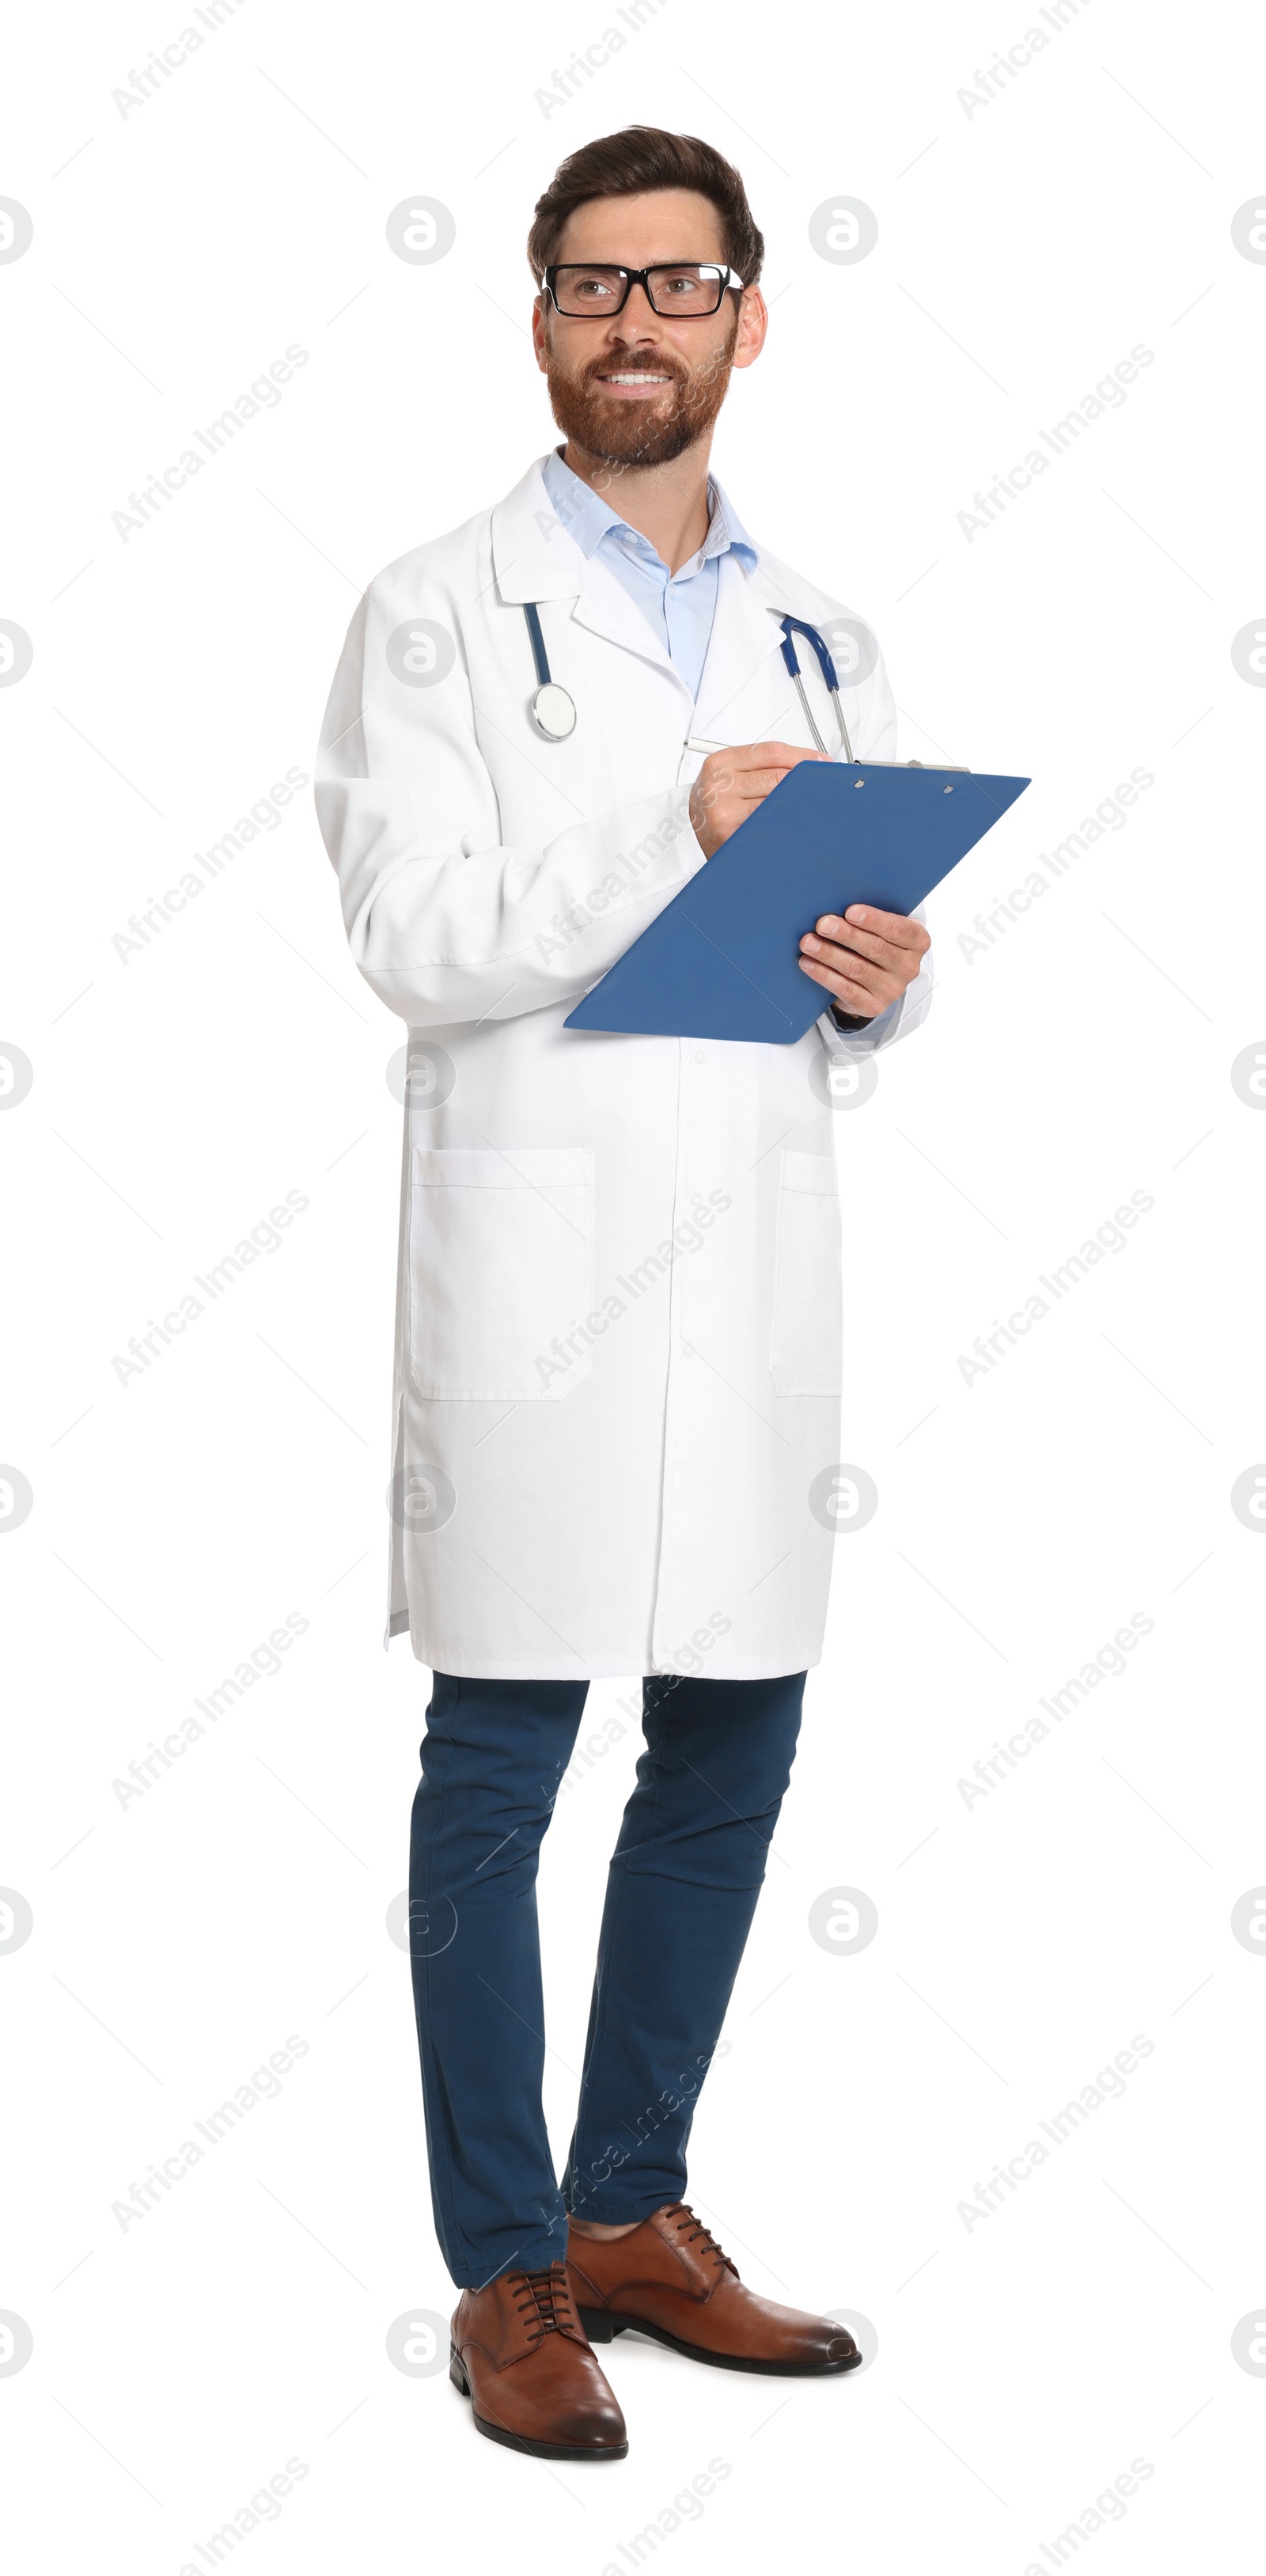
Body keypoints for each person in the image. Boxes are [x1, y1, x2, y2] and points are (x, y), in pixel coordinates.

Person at [315, 124, 931, 2463]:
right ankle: (504, 2276)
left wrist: (878, 979)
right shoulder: (432, 611)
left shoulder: (826, 633)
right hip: (541, 1281)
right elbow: (413, 941)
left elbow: (833, 982)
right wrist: (660, 836)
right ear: (543, 323)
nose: (633, 323)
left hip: (750, 1268)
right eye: (590, 285)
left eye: (677, 286)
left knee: (736, 1738)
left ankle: (634, 2214)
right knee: (500, 1765)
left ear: (749, 317)